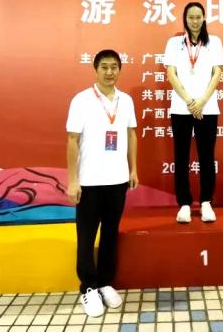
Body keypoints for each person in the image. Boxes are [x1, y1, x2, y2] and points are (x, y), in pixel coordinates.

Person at [66, 49, 139, 317]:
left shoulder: (126, 101)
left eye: (114, 67)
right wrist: (73, 180)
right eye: (104, 67)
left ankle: (106, 282)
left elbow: (131, 135)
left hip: (117, 179)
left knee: (110, 233)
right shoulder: (81, 100)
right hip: (89, 180)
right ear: (95, 69)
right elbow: (72, 140)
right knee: (86, 236)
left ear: (120, 69)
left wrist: (133, 169)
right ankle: (88, 287)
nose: (110, 72)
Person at [164, 2, 223, 223]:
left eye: (198, 17)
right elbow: (171, 74)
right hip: (181, 107)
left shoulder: (214, 42)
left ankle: (206, 201)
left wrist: (202, 101)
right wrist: (190, 101)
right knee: (181, 157)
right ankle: (184, 204)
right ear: (185, 19)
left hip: (207, 108)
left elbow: (217, 74)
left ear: (204, 18)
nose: (195, 21)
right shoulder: (174, 43)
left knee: (206, 156)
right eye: (191, 17)